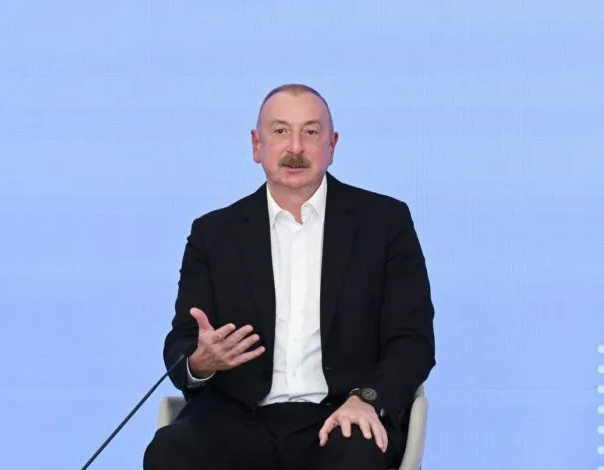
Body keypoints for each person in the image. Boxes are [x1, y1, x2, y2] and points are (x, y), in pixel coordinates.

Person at [144, 84, 435, 470]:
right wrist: (201, 361)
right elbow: (182, 343)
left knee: (359, 455)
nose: (295, 147)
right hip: (235, 418)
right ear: (256, 145)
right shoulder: (214, 234)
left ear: (332, 145)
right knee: (171, 451)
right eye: (280, 131)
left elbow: (413, 341)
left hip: (340, 416)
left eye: (311, 132)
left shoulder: (384, 223)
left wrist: (366, 398)